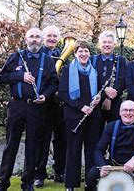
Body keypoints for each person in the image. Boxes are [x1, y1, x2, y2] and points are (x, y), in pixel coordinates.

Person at [0, 27, 59, 191]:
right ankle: (2, 182)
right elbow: (1, 77)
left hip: (36, 108)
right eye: (31, 37)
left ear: (41, 40)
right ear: (26, 39)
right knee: (11, 145)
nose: (34, 40)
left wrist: (46, 95)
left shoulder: (48, 60)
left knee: (33, 146)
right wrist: (20, 76)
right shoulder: (16, 57)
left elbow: (54, 83)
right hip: (17, 105)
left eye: (38, 37)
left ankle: (28, 183)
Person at [57, 39, 102, 190]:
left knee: (91, 150)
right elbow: (62, 94)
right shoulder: (68, 70)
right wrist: (81, 107)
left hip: (93, 116)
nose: (83, 54)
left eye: (86, 51)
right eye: (80, 51)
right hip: (74, 116)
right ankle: (71, 184)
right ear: (75, 54)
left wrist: (98, 99)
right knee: (73, 150)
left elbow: (100, 90)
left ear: (90, 53)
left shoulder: (94, 70)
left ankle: (91, 183)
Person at [85, 100, 134, 190]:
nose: (128, 113)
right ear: (120, 112)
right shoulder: (111, 126)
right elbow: (99, 149)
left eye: (131, 110)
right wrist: (102, 166)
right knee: (92, 174)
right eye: (125, 110)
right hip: (114, 164)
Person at [34, 25, 66, 187]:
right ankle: (39, 174)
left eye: (55, 36)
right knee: (43, 139)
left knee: (61, 139)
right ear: (43, 37)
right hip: (44, 102)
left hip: (60, 103)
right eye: (49, 36)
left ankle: (60, 171)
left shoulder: (64, 55)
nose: (52, 38)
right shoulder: (38, 55)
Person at [91, 31, 127, 123]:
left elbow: (122, 80)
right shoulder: (92, 60)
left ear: (114, 44)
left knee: (114, 131)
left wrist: (111, 96)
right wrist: (105, 91)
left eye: (109, 42)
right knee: (96, 132)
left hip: (115, 102)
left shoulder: (121, 60)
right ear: (100, 44)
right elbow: (90, 80)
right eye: (104, 42)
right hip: (96, 103)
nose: (107, 44)